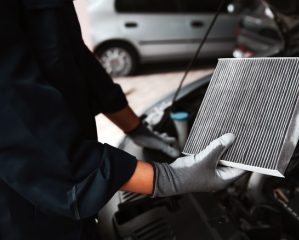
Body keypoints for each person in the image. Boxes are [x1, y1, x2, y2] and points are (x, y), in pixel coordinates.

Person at [0, 1, 244, 239]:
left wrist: (136, 128)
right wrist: (167, 178)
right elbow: (16, 121)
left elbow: (70, 56)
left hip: (73, 203)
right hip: (28, 211)